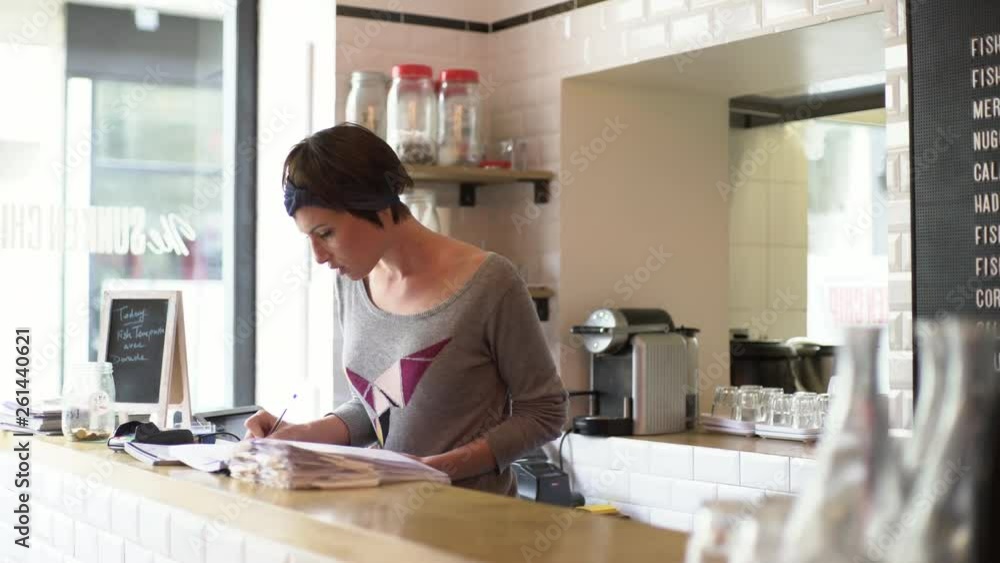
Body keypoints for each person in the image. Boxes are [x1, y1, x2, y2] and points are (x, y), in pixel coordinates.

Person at [245, 124, 568, 495]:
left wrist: (441, 468)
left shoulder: (490, 283)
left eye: (326, 233)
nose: (318, 256)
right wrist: (298, 435)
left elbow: (545, 412)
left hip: (470, 521)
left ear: (377, 207)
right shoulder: (352, 282)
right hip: (380, 518)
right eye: (309, 238)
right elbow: (376, 405)